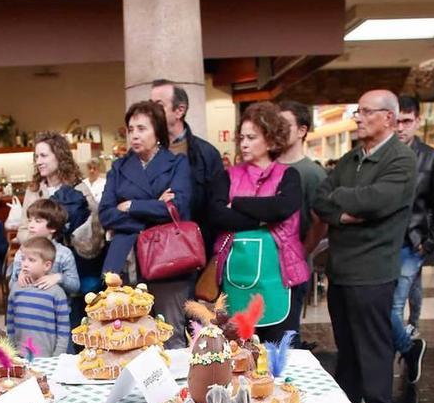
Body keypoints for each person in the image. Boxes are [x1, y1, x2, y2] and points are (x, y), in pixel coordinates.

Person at [313, 90, 417, 403]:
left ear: (388, 117)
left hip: (373, 270)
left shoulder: (400, 160)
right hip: (341, 269)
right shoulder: (350, 158)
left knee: (373, 346)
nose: (357, 118)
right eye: (357, 112)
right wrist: (344, 213)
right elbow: (320, 199)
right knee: (346, 347)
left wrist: (342, 200)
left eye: (364, 112)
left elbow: (377, 201)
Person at [209, 102, 310, 344]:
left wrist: (239, 203)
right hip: (234, 277)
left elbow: (283, 208)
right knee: (237, 349)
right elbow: (218, 215)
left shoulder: (289, 175)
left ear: (272, 139)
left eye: (252, 137)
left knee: (281, 352)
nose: (243, 143)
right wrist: (265, 216)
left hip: (281, 275)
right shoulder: (227, 176)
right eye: (241, 137)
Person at [99, 100, 192, 348]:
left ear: (158, 132)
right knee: (125, 338)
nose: (134, 135)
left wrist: (131, 205)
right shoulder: (119, 167)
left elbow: (177, 209)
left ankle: (177, 388)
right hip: (125, 260)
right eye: (131, 129)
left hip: (167, 258)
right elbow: (106, 214)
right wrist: (154, 207)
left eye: (142, 129)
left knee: (169, 334)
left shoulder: (177, 163)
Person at [15, 132, 102, 342]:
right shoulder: (34, 190)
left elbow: (95, 226)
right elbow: (22, 229)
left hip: (73, 262)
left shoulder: (79, 188)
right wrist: (40, 242)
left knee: (75, 323)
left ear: (59, 156)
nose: (39, 162)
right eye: (36, 157)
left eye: (43, 156)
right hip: (42, 261)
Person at [392, 95, 434, 382]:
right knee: (404, 291)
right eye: (397, 120)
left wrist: (431, 241)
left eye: (407, 121)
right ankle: (409, 338)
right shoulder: (385, 153)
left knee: (393, 305)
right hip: (385, 242)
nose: (401, 127)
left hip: (413, 240)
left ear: (417, 121)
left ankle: (406, 344)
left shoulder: (432, 157)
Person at [151, 79, 224, 258]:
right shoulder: (144, 153)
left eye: (158, 105)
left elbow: (216, 207)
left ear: (180, 110)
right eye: (149, 105)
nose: (151, 112)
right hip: (154, 248)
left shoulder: (206, 153)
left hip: (197, 248)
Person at [7, 236, 71, 357]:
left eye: (31, 260)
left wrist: (58, 355)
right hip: (19, 355)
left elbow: (63, 328)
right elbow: (10, 322)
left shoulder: (56, 293)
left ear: (46, 266)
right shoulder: (16, 288)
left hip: (47, 356)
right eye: (23, 259)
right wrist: (11, 351)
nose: (25, 264)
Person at [277, 100, 328, 243]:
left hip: (297, 253)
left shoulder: (313, 173)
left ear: (302, 131)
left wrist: (303, 254)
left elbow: (320, 223)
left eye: (285, 125)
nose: (279, 130)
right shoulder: (266, 166)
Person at [11, 198, 80, 300]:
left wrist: (59, 278)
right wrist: (18, 276)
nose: (31, 225)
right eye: (30, 220)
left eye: (37, 221)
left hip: (55, 310)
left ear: (53, 227)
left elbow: (75, 286)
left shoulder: (64, 253)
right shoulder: (22, 251)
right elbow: (11, 285)